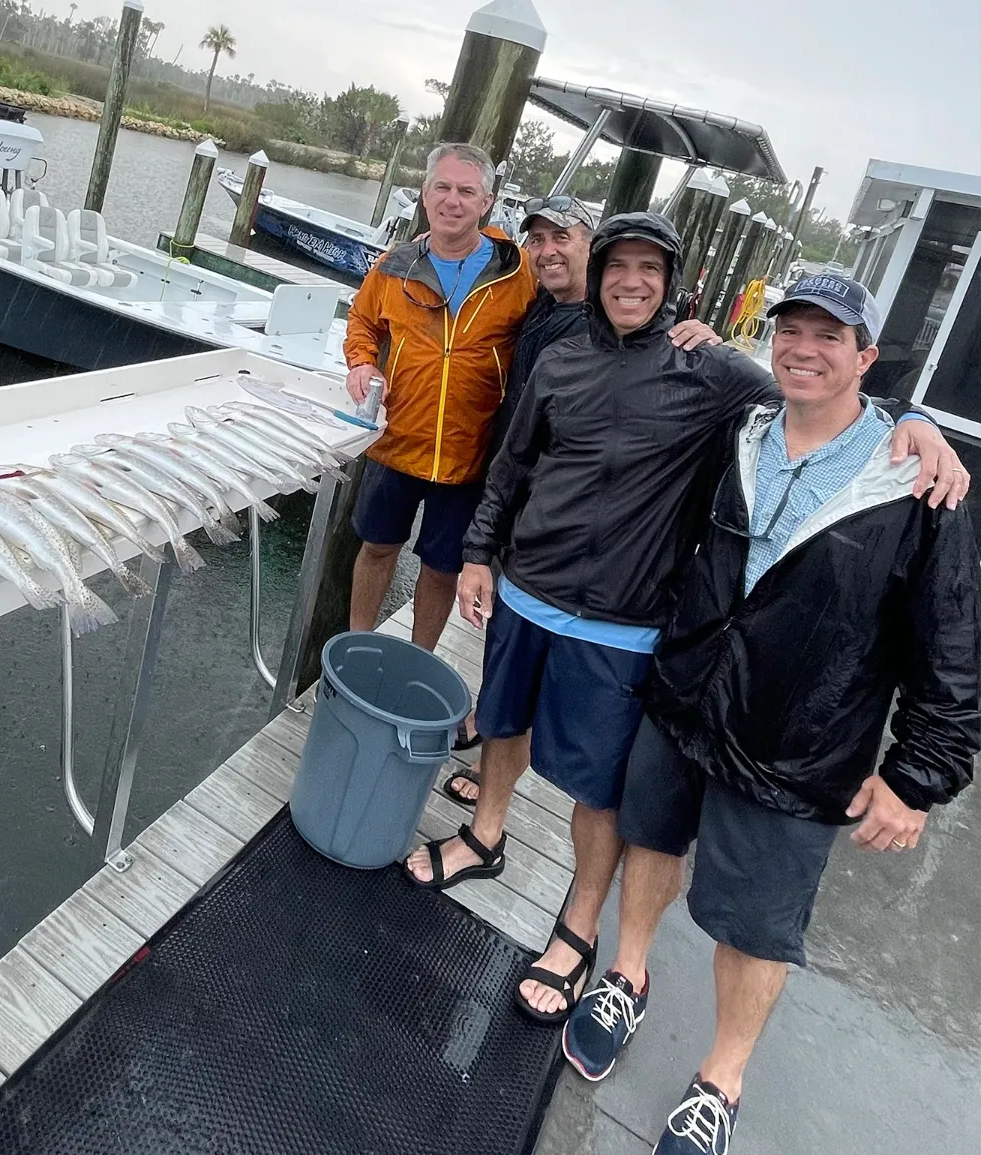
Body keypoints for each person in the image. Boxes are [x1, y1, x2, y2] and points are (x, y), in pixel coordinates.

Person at [403, 215, 969, 1028]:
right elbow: (512, 462)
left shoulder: (711, 373)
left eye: (648, 269)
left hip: (623, 624)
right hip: (526, 592)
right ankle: (485, 834)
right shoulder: (559, 357)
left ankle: (577, 928)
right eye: (615, 267)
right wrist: (482, 552)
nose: (629, 281)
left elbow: (817, 395)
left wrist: (915, 418)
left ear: (672, 284)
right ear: (595, 276)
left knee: (601, 790)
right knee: (501, 724)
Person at [563, 275, 980, 1154]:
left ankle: (722, 1076)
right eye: (790, 329)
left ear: (865, 357)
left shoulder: (916, 484)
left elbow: (951, 646)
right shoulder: (742, 433)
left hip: (800, 746)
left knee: (757, 925)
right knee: (648, 840)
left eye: (830, 336)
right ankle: (626, 974)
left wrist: (915, 775)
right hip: (683, 699)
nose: (802, 347)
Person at [443, 196, 720, 771]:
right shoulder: (544, 310)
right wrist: (480, 546)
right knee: (504, 654)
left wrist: (912, 420)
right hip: (523, 523)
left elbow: (802, 404)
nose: (546, 251)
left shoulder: (693, 361)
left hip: (608, 585)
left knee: (567, 718)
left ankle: (489, 745)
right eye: (536, 240)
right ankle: (486, 725)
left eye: (560, 237)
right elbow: (516, 451)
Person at [343, 142, 537, 652]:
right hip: (398, 439)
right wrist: (362, 359)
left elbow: (576, 306)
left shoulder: (517, 272)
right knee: (377, 547)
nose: (453, 201)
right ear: (425, 195)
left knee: (441, 565)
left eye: (466, 191)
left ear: (487, 202)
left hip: (470, 453)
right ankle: (356, 645)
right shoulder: (392, 266)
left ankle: (418, 657)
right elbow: (361, 320)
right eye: (442, 188)